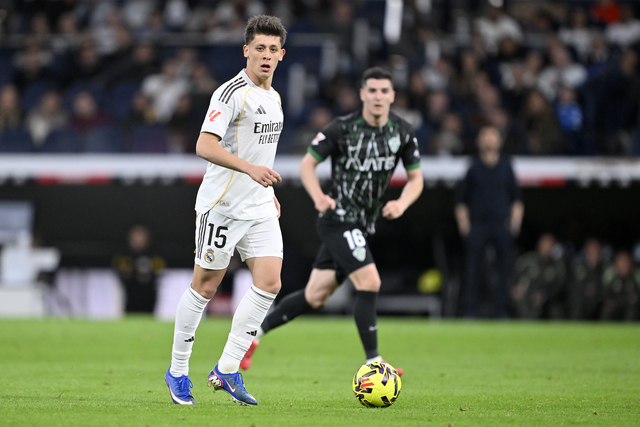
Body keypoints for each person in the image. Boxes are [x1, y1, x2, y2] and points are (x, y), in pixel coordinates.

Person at [240, 66, 424, 374]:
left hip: (362, 225)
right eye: (372, 90)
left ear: (392, 96)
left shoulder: (402, 132)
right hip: (339, 219)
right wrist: (319, 198)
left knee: (315, 295)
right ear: (363, 94)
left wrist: (402, 203)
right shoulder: (342, 128)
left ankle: (252, 336)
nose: (378, 96)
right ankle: (374, 362)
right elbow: (307, 165)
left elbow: (416, 179)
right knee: (370, 281)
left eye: (384, 91)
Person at [164, 15, 287, 407]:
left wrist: (267, 189)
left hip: (259, 206)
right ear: (246, 50)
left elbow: (260, 151)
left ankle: (227, 368)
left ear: (281, 55)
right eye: (260, 48)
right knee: (205, 287)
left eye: (273, 49)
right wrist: (250, 170)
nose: (266, 55)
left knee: (270, 283)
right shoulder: (231, 92)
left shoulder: (275, 97)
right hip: (223, 207)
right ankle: (177, 371)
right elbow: (204, 145)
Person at [455, 125, 524, 318]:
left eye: (492, 137)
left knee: (504, 270)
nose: (489, 140)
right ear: (479, 141)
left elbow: (516, 199)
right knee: (473, 270)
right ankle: (471, 311)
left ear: (499, 141)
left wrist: (514, 225)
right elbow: (461, 201)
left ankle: (502, 311)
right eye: (485, 136)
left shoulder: (506, 166)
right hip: (478, 225)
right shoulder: (473, 167)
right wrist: (465, 228)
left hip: (501, 225)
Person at [510, 233, 567, 319]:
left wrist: (544, 296)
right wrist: (516, 288)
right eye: (544, 243)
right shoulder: (527, 260)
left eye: (549, 244)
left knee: (554, 308)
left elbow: (559, 288)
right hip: (526, 296)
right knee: (520, 300)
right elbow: (514, 277)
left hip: (545, 300)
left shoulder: (557, 267)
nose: (546, 246)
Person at [113, 224, 164, 314]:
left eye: (141, 236)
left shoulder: (153, 255)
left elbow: (159, 272)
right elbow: (120, 272)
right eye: (136, 236)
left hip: (149, 295)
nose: (139, 239)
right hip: (130, 296)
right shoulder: (125, 255)